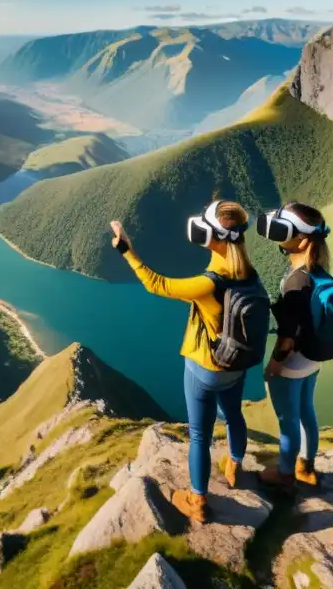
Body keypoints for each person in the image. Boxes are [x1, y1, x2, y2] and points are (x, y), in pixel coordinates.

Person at [109, 200, 259, 523]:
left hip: (204, 368)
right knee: (234, 414)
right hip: (237, 365)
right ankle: (234, 466)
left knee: (200, 436)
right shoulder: (249, 274)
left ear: (213, 237)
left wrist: (127, 250)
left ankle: (198, 501)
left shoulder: (209, 284)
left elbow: (156, 284)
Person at [256, 202, 333, 491]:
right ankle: (306, 466)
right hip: (313, 359)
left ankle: (285, 474)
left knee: (287, 419)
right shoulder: (320, 273)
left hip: (292, 362)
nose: (277, 236)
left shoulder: (294, 281)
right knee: (306, 411)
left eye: (283, 231)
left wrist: (275, 363)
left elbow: (287, 334)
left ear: (300, 241)